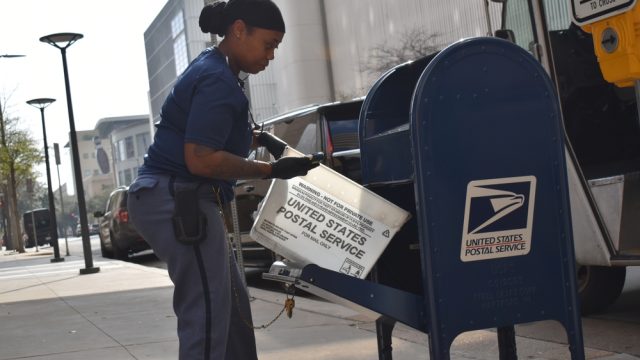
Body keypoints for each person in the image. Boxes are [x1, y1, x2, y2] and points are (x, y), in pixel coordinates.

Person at [127, 1, 317, 359]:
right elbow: (200, 158)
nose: (272, 55)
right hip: (177, 199)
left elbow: (209, 133)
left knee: (231, 308)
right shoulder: (217, 79)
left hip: (174, 195)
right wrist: (269, 171)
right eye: (269, 44)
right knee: (207, 313)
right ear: (239, 29)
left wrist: (262, 140)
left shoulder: (217, 69)